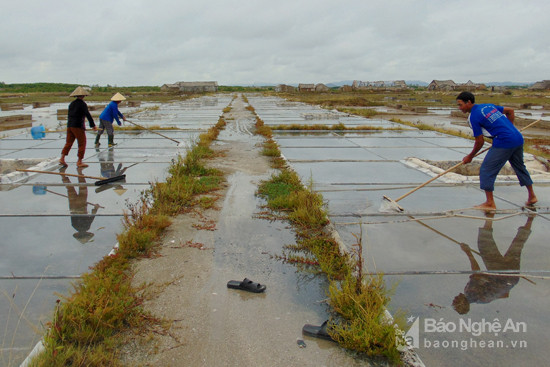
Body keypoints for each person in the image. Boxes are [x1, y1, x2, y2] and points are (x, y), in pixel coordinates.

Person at [456, 91, 537, 210]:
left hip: (504, 141)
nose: (459, 108)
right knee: (520, 167)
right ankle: (532, 196)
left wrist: (470, 156)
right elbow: (510, 111)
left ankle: (490, 203)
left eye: (460, 105)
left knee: (487, 169)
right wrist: (510, 128)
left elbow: (479, 142)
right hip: (517, 137)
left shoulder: (473, 117)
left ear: (468, 102)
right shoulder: (487, 106)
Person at [452, 212, 534, 314]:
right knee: (484, 244)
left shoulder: (483, 301)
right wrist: (468, 252)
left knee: (517, 246)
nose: (454, 299)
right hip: (500, 274)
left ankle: (531, 218)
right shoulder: (470, 293)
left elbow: (505, 295)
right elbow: (477, 273)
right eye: (455, 301)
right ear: (461, 303)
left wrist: (501, 284)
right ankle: (490, 215)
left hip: (513, 279)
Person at [60, 86, 97, 167]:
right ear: (83, 96)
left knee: (68, 143)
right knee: (82, 143)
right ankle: (79, 161)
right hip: (77, 126)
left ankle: (62, 158)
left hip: (70, 125)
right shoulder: (82, 104)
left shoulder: (71, 104)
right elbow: (87, 115)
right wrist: (93, 125)